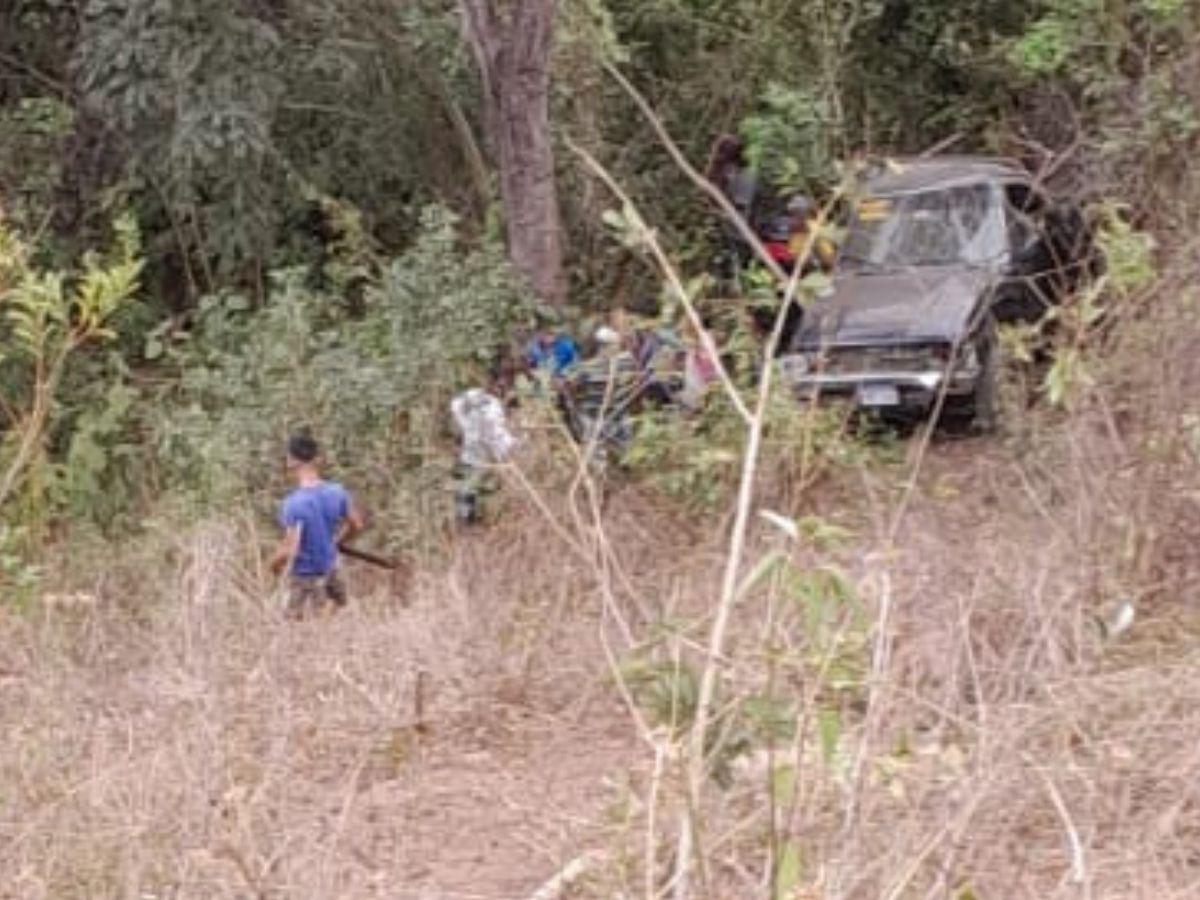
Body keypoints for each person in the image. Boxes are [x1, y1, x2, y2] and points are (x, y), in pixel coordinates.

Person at [270, 433, 364, 618]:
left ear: (291, 460)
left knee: (295, 633)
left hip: (304, 581)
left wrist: (272, 566)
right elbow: (356, 525)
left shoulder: (294, 503)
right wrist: (336, 542)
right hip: (332, 572)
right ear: (316, 459)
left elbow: (291, 549)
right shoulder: (337, 492)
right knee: (333, 622)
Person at [450, 374, 517, 524]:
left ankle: (473, 517)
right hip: (477, 454)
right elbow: (496, 435)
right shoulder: (489, 406)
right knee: (470, 487)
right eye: (499, 385)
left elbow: (497, 435)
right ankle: (468, 519)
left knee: (473, 487)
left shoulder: (492, 405)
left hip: (480, 455)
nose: (501, 388)